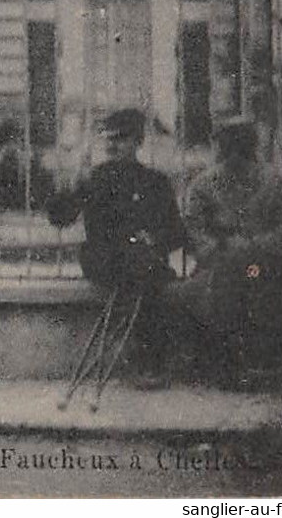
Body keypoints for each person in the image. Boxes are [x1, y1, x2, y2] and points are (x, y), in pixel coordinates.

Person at [45, 107, 185, 377]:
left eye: (121, 138)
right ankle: (144, 360)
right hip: (104, 258)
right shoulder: (95, 178)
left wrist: (153, 238)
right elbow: (60, 218)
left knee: (150, 275)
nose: (113, 144)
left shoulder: (156, 182)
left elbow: (176, 232)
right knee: (145, 274)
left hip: (142, 259)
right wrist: (70, 182)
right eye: (108, 138)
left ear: (138, 142)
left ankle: (144, 359)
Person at [178, 115, 282, 385]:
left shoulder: (280, 181)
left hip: (264, 265)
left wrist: (250, 247)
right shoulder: (202, 186)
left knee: (254, 278)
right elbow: (193, 232)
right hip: (219, 266)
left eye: (240, 147)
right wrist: (223, 251)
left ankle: (252, 361)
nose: (233, 155)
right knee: (221, 283)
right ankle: (234, 363)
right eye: (227, 147)